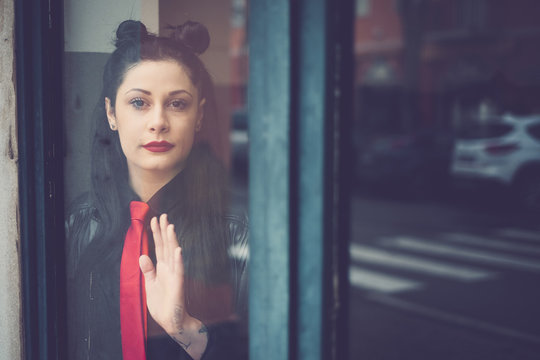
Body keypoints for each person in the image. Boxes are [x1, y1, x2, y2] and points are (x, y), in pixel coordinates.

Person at [65, 20, 248, 360]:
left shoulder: (240, 237)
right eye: (139, 102)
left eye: (177, 103)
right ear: (111, 113)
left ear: (199, 115)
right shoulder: (76, 225)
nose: (158, 121)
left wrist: (185, 330)